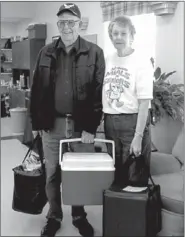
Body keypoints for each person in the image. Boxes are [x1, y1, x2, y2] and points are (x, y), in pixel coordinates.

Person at [30, 3, 105, 237]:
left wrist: (91, 127)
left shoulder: (94, 52)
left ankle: (78, 215)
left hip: (81, 126)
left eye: (71, 22)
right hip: (52, 126)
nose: (66, 27)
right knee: (51, 173)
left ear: (79, 24)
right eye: (62, 22)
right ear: (58, 24)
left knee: (77, 173)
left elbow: (98, 91)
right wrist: (35, 124)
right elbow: (36, 89)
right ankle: (54, 215)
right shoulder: (46, 51)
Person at [102, 15, 154, 185]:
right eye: (115, 33)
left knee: (135, 175)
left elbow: (145, 102)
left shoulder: (141, 60)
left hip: (132, 123)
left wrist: (138, 136)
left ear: (132, 36)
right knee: (115, 173)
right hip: (110, 122)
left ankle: (136, 211)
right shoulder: (108, 59)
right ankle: (118, 210)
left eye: (123, 33)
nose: (118, 37)